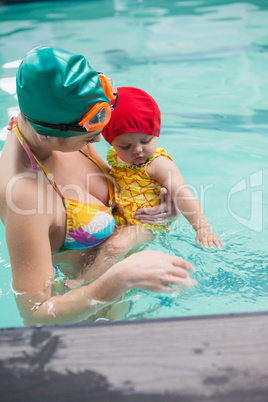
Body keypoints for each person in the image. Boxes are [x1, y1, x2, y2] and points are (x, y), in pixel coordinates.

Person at [0, 46, 197, 326]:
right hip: (90, 320)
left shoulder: (51, 118)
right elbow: (36, 314)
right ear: (47, 137)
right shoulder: (25, 195)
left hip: (130, 286)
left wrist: (159, 204)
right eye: (89, 138)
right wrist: (119, 278)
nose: (96, 143)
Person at [102, 87, 223, 250]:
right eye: (125, 146)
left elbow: (182, 193)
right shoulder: (114, 158)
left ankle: (86, 277)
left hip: (147, 227)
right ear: (112, 144)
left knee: (115, 247)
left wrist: (202, 228)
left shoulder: (157, 163)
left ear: (156, 133)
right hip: (120, 223)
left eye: (145, 141)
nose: (137, 150)